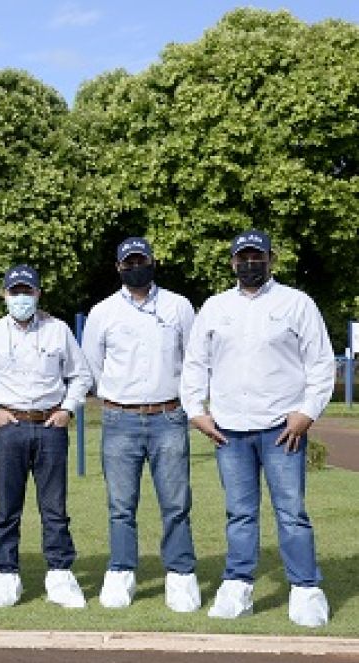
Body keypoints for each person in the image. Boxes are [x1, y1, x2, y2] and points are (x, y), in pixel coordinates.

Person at [180, 229, 334, 628]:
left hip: (284, 427)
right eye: (243, 257)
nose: (250, 263)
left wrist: (307, 412)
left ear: (271, 258)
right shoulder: (215, 307)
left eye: (257, 256)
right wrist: (196, 411)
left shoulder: (296, 303)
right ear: (232, 262)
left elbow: (320, 363)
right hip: (229, 429)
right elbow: (196, 363)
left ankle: (305, 590)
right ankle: (237, 587)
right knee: (240, 513)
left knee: (292, 513)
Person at [81, 237, 200, 612]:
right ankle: (121, 572)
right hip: (119, 418)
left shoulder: (179, 307)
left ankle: (180, 575)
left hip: (169, 416)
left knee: (176, 503)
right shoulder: (102, 312)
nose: (136, 267)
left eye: (142, 260)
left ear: (153, 261)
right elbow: (92, 367)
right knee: (120, 505)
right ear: (119, 267)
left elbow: (193, 360)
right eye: (129, 262)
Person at [0, 264, 93, 609]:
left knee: (54, 507)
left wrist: (68, 410)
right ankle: (5, 572)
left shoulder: (58, 331)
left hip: (49, 426)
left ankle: (59, 573)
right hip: (9, 427)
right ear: (5, 295)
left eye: (28, 292)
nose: (21, 298)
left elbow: (81, 375)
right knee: (7, 505)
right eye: (15, 292)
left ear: (38, 294)